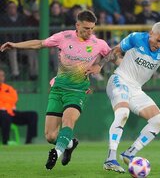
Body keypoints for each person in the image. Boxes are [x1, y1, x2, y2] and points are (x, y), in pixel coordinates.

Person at [0, 10, 111, 170]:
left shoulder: (98, 43)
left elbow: (112, 54)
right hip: (58, 89)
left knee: (68, 121)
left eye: (92, 28)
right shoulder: (63, 37)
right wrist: (15, 45)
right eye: (86, 28)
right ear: (77, 25)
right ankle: (70, 144)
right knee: (51, 136)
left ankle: (57, 152)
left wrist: (99, 65)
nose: (89, 32)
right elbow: (39, 43)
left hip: (78, 91)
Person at [101, 22, 160, 173]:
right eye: (158, 40)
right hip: (120, 80)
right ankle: (110, 159)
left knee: (159, 121)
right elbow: (114, 51)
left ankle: (130, 153)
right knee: (123, 113)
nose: (159, 44)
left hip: (136, 89)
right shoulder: (136, 38)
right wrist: (100, 65)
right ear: (151, 33)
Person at [0, 69, 38, 144]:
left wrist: (3, 100)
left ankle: (29, 142)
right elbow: (10, 100)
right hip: (2, 114)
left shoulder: (9, 88)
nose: (1, 77)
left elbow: (14, 99)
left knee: (33, 115)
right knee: (4, 115)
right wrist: (7, 100)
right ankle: (5, 142)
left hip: (11, 112)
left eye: (2, 75)